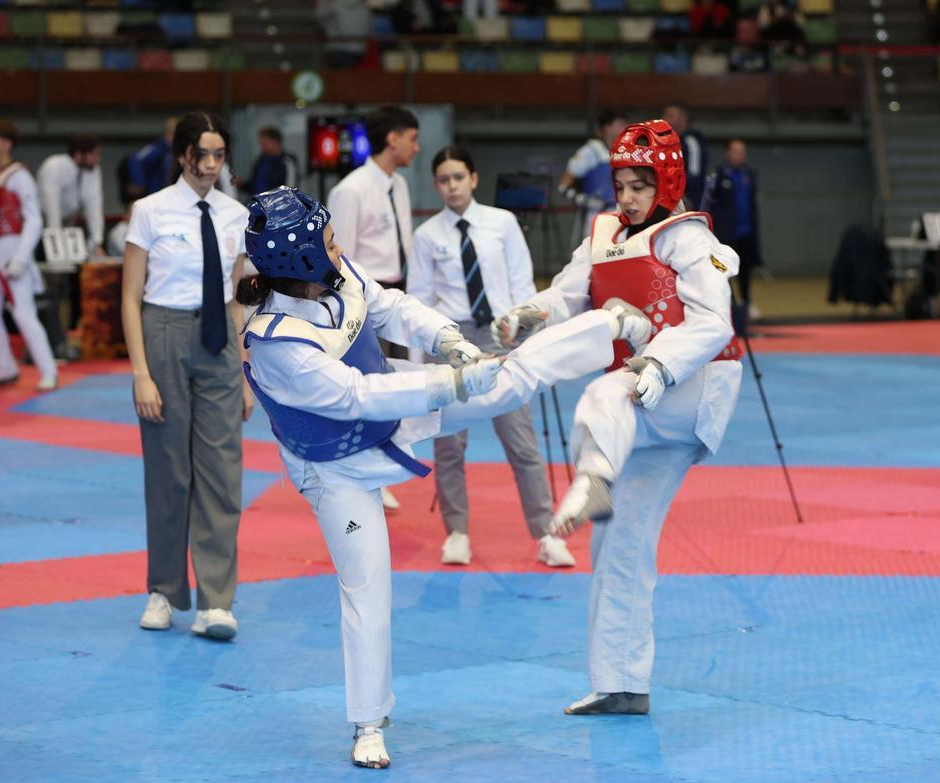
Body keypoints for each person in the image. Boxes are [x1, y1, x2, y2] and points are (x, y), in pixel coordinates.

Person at [238, 185, 647, 769]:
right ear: (298, 256)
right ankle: (367, 723)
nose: (337, 244)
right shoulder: (276, 340)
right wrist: (449, 383)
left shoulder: (336, 273)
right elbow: (356, 396)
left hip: (397, 400)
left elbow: (390, 306)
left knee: (508, 380)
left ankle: (607, 327)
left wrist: (446, 339)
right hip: (334, 466)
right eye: (326, 238)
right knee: (367, 585)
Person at [493, 119, 743, 717]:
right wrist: (533, 310)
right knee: (619, 543)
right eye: (621, 184)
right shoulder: (603, 230)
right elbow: (569, 292)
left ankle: (590, 471)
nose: (627, 197)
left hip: (690, 386)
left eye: (639, 185)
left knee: (610, 382)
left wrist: (657, 365)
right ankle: (622, 682)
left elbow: (714, 323)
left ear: (667, 180)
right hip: (642, 399)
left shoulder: (688, 237)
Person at [409, 145, 575, 568]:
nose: (451, 187)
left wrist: (526, 334)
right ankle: (458, 531)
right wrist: (417, 363)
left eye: (458, 178)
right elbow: (418, 302)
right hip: (449, 338)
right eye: (444, 180)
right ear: (436, 185)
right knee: (449, 445)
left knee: (521, 442)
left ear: (474, 178)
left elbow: (522, 282)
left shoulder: (501, 224)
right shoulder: (427, 235)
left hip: (502, 334)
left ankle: (546, 533)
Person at [122, 112, 254, 642]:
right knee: (168, 471)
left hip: (221, 337)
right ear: (182, 156)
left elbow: (243, 301)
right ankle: (163, 590)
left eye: (218, 155)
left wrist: (247, 375)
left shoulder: (236, 215)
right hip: (164, 333)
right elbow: (130, 298)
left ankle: (217, 602)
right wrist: (140, 374)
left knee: (222, 472)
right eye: (201, 155)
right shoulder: (149, 211)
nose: (209, 165)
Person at [327, 104, 421, 510]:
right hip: (365, 297)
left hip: (398, 292)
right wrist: (349, 311)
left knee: (394, 387)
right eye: (412, 139)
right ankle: (358, 469)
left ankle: (383, 464)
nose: (416, 148)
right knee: (366, 389)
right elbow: (338, 255)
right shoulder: (350, 189)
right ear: (393, 138)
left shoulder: (397, 185)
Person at [0, 119, 58, 392]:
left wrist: (22, 256)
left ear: (5, 144)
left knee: (23, 313)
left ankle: (49, 370)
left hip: (12, 247)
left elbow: (33, 220)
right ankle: (6, 367)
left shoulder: (20, 175)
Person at [38, 134, 106, 359]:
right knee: (51, 287)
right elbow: (52, 207)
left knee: (76, 284)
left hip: (70, 228)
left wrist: (96, 242)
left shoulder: (91, 171)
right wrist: (56, 246)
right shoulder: (54, 167)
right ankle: (51, 341)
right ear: (78, 155)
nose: (97, 159)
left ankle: (68, 338)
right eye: (93, 155)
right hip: (44, 228)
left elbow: (94, 204)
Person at [702, 138, 763, 319]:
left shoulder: (749, 175)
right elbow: (709, 204)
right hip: (726, 234)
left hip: (746, 232)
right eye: (735, 151)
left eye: (742, 152)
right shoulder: (717, 175)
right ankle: (727, 307)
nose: (739, 155)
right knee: (725, 272)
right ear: (728, 153)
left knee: (745, 271)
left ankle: (746, 304)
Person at [560, 110, 629, 241]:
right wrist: (582, 199)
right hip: (598, 214)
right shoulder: (590, 151)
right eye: (620, 124)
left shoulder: (625, 150)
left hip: (622, 213)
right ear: (607, 127)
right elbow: (563, 186)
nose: (624, 127)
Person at [663, 103, 707, 211]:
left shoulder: (691, 142)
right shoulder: (668, 142)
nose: (664, 119)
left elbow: (694, 178)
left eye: (670, 115)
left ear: (683, 119)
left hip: (688, 205)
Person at [242, 127, 298, 195]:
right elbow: (255, 185)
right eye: (261, 143)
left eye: (265, 142)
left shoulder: (286, 162)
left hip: (276, 204)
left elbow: (290, 189)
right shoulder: (260, 161)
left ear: (275, 142)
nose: (262, 146)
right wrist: (242, 184)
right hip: (257, 203)